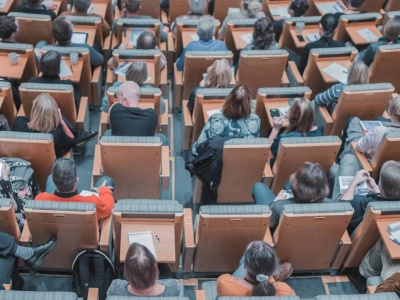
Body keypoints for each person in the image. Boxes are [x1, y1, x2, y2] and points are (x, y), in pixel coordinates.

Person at [12, 94, 97, 157]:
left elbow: (30, 120)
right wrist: (61, 121)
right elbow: (73, 141)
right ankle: (78, 133)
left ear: (34, 109)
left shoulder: (18, 122)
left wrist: (39, 117)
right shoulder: (56, 135)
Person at [252, 162, 331, 230]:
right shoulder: (330, 205)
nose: (292, 176)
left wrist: (276, 201)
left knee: (258, 187)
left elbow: (266, 224)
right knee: (287, 183)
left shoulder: (279, 207)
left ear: (299, 189)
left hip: (282, 239)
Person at [35, 158, 115, 222]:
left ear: (54, 180)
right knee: (106, 180)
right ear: (76, 180)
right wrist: (104, 190)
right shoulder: (93, 203)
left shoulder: (40, 200)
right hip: (85, 240)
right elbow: (109, 207)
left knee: (49, 177)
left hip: (56, 239)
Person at [192, 85, 260, 155]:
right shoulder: (255, 120)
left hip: (216, 163)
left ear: (228, 99)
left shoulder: (216, 120)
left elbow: (197, 149)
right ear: (249, 104)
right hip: (243, 162)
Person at [335, 159, 400, 233]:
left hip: (344, 224)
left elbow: (342, 210)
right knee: (334, 170)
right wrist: (378, 192)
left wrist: (354, 182)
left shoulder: (363, 204)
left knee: (349, 159)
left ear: (380, 185)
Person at [217, 241, 295, 296]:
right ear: (273, 268)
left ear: (245, 266)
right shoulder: (285, 291)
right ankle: (273, 276)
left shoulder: (225, 283)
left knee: (252, 248)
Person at [338, 95, 400, 162]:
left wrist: (369, 135)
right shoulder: (379, 131)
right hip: (392, 162)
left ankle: (339, 160)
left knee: (352, 120)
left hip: (369, 160)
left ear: (390, 112)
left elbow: (359, 147)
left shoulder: (378, 131)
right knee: (379, 118)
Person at [107, 243, 183, 296]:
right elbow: (176, 284)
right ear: (155, 268)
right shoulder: (175, 288)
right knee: (164, 265)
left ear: (126, 271)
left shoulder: (115, 288)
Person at [37, 16, 104, 68]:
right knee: (96, 45)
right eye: (71, 25)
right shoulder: (85, 48)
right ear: (71, 31)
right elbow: (100, 60)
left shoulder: (46, 50)